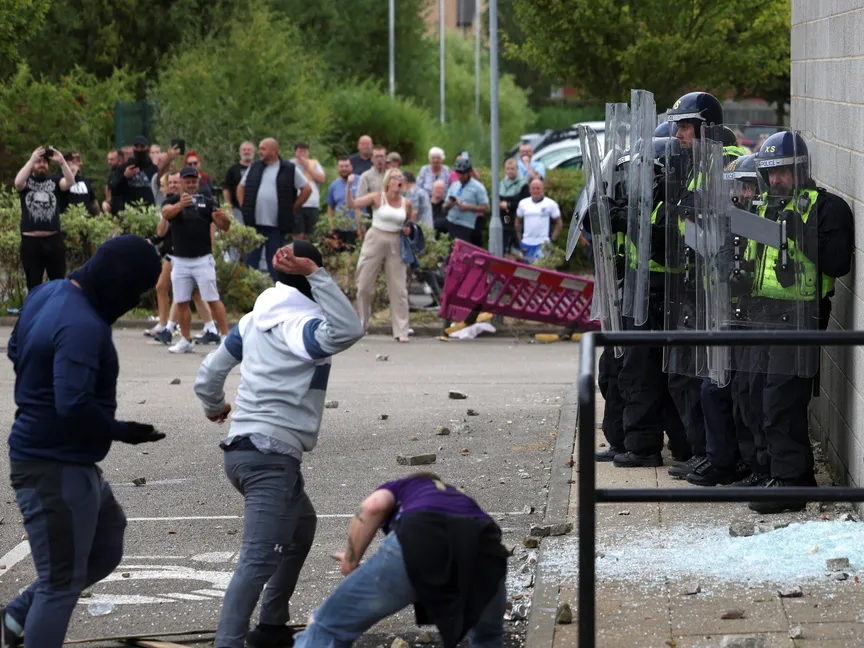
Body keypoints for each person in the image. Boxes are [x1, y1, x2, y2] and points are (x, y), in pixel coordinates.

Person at [194, 241, 364, 648]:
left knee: (302, 527)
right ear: (310, 281)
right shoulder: (299, 325)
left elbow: (208, 374)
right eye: (319, 279)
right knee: (257, 559)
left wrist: (215, 406)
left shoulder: (254, 319)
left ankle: (271, 624)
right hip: (269, 459)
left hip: (246, 451)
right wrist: (316, 273)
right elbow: (349, 329)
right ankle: (229, 642)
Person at [0, 235, 164, 648]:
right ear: (121, 283)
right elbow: (72, 403)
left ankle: (16, 618)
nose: (135, 299)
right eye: (138, 290)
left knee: (106, 542)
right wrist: (123, 431)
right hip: (52, 466)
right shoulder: (83, 325)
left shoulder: (45, 293)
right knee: (60, 584)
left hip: (67, 460)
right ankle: (23, 625)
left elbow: (15, 349)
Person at [741, 132, 853, 513]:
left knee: (782, 400)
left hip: (802, 314)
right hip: (764, 314)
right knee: (755, 394)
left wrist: (800, 234)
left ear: (800, 169)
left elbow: (838, 263)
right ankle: (785, 472)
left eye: (783, 173)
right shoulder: (767, 205)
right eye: (770, 174)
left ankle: (788, 486)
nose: (775, 181)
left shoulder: (826, 208)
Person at [293, 473, 508, 648]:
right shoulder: (459, 498)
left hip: (421, 535)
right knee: (487, 637)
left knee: (327, 627)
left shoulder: (404, 486)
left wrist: (350, 562)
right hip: (486, 547)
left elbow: (372, 507)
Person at [160, 167, 232, 353]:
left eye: (194, 181)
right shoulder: (173, 200)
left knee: (213, 299)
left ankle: (225, 337)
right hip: (180, 260)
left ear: (198, 183)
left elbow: (224, 226)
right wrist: (180, 206)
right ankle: (185, 339)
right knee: (182, 301)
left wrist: (223, 219)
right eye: (187, 181)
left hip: (202, 259)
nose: (191, 184)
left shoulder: (207, 202)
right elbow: (166, 214)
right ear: (182, 182)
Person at [346, 168, 415, 343]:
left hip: (395, 241)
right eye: (395, 177)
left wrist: (408, 230)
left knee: (398, 288)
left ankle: (401, 330)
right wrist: (349, 186)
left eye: (401, 177)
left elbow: (409, 222)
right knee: (364, 285)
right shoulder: (377, 197)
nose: (399, 180)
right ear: (388, 181)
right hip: (375, 237)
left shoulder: (406, 203)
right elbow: (352, 204)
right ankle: (361, 325)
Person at [238, 138, 311, 280]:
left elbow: (307, 189)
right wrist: (244, 206)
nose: (260, 151)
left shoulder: (289, 168)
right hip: (254, 224)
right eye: (260, 148)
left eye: (263, 148)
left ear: (275, 151)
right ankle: (250, 293)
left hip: (277, 226)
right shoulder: (255, 166)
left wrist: (294, 207)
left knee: (275, 263)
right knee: (251, 261)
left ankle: (277, 292)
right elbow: (241, 186)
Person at [14, 146, 76, 291]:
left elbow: (70, 182)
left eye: (44, 162)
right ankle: (35, 313)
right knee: (33, 285)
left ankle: (57, 313)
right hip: (31, 243)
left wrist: (61, 161)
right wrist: (32, 159)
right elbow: (17, 183)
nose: (41, 164)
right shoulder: (26, 182)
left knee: (58, 284)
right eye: (38, 162)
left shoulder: (55, 182)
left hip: (53, 241)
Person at [515, 178, 562, 264]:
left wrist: (552, 239)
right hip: (526, 243)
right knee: (526, 271)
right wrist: (519, 239)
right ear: (530, 190)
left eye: (538, 188)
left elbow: (559, 223)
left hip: (543, 244)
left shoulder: (551, 204)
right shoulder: (523, 203)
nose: (536, 191)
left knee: (541, 270)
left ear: (543, 189)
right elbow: (517, 222)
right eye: (533, 188)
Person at [444, 158, 489, 244]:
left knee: (457, 246)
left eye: (462, 174)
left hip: (465, 224)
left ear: (469, 173)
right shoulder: (454, 185)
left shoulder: (478, 187)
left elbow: (486, 208)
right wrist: (449, 204)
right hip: (450, 220)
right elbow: (445, 204)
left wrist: (468, 207)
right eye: (458, 174)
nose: (460, 176)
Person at [109, 135, 159, 211]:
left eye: (142, 147)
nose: (139, 149)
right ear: (133, 148)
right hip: (129, 212)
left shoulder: (153, 169)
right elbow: (114, 189)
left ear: (147, 148)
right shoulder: (124, 168)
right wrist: (125, 176)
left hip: (149, 213)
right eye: (136, 146)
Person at [291, 142, 326, 241]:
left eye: (304, 151)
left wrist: (307, 166)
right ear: (295, 152)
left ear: (308, 153)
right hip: (296, 205)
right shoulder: (290, 164)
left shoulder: (314, 163)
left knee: (311, 235)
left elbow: (322, 179)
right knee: (298, 235)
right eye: (299, 151)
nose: (302, 154)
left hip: (312, 205)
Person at [326, 158, 361, 249]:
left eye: (346, 166)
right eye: (341, 166)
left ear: (351, 167)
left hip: (357, 227)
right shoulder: (333, 186)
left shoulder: (360, 181)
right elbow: (330, 207)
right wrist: (331, 225)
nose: (344, 169)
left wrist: (361, 226)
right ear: (338, 168)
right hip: (340, 228)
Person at [499, 158, 529, 256]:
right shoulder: (502, 183)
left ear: (517, 169)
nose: (510, 171)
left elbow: (524, 200)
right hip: (505, 216)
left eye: (512, 169)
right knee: (506, 234)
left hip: (517, 216)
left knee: (515, 236)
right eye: (508, 169)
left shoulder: (523, 184)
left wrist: (509, 204)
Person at [224, 141, 255, 224]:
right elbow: (226, 189)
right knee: (240, 235)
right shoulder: (233, 169)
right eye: (244, 150)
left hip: (255, 209)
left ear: (253, 152)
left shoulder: (258, 168)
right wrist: (229, 207)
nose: (246, 152)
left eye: (249, 150)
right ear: (240, 152)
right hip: (237, 209)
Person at [60, 151, 99, 215]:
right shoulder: (59, 179)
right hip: (67, 220)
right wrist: (72, 171)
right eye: (77, 160)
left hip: (85, 222)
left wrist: (99, 217)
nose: (81, 163)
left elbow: (94, 201)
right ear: (67, 162)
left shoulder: (85, 180)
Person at [103, 148, 125, 213]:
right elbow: (108, 188)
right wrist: (106, 202)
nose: (109, 162)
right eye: (108, 159)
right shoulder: (112, 173)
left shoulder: (124, 173)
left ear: (120, 160)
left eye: (112, 159)